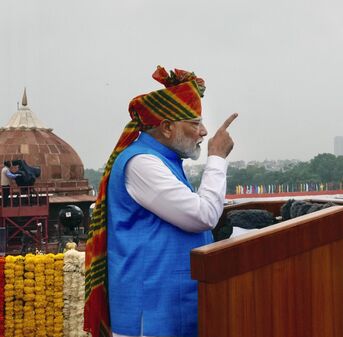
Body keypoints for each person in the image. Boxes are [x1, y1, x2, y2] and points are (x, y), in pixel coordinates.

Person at [84, 66, 237, 337]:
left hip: (170, 308)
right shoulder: (142, 164)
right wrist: (216, 158)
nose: (203, 132)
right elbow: (203, 216)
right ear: (167, 127)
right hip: (150, 316)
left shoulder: (166, 162)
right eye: (194, 123)